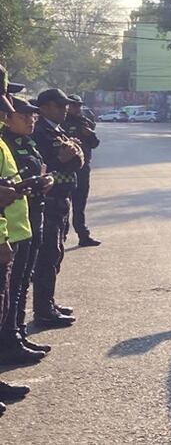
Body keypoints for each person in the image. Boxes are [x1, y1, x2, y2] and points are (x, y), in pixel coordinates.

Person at [0, 96, 53, 363]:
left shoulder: (23, 143)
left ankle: (16, 335)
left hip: (23, 222)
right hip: (9, 228)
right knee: (9, 292)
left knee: (18, 286)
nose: (31, 120)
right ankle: (9, 343)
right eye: (23, 116)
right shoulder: (6, 142)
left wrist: (44, 180)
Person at [31, 89, 83, 329]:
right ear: (44, 108)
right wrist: (62, 159)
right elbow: (40, 167)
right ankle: (43, 310)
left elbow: (77, 162)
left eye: (65, 106)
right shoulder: (39, 132)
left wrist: (71, 157)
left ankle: (48, 302)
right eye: (59, 106)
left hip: (62, 198)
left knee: (56, 253)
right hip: (49, 200)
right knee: (48, 256)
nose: (64, 110)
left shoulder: (57, 130)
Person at [63, 94, 100, 247]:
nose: (77, 108)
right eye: (73, 105)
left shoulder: (84, 121)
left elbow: (95, 143)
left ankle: (83, 235)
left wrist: (89, 134)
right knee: (64, 203)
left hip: (83, 168)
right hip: (65, 169)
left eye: (79, 105)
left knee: (80, 204)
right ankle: (61, 236)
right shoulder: (61, 122)